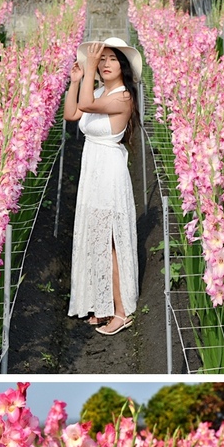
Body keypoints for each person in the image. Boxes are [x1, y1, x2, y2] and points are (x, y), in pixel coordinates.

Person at [63, 37, 142, 336]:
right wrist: (76, 80)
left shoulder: (122, 97)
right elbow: (72, 114)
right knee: (96, 237)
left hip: (108, 172)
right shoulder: (96, 91)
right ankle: (102, 304)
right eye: (102, 59)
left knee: (110, 242)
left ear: (122, 67)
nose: (106, 64)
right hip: (91, 169)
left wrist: (90, 65)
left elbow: (85, 106)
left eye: (112, 59)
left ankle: (122, 312)